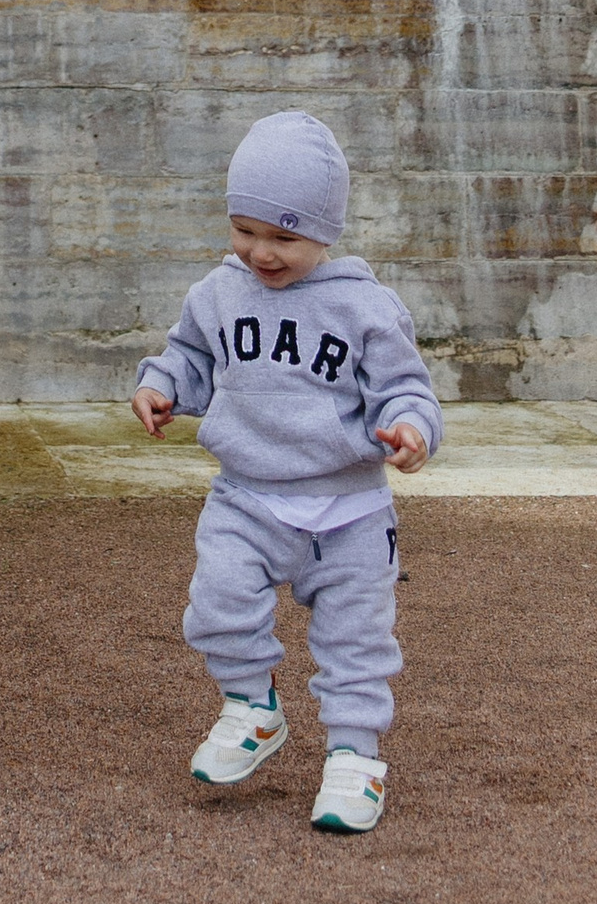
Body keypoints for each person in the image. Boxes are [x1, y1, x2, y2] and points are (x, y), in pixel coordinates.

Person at [131, 110, 441, 836]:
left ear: (326, 232)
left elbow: (407, 389)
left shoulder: (364, 307)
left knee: (356, 645)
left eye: (283, 236)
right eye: (245, 230)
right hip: (247, 498)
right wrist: (162, 386)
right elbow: (191, 358)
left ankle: (355, 761)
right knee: (216, 604)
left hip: (350, 514)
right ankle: (252, 708)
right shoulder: (217, 293)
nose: (260, 253)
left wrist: (413, 429)